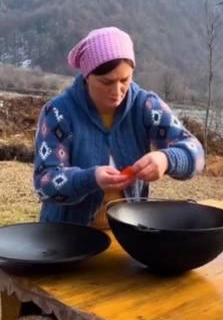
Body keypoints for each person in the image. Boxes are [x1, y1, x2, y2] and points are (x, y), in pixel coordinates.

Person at [33, 26, 205, 229]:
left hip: (127, 236)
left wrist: (167, 159)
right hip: (66, 237)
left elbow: (196, 154)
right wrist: (91, 178)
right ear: (88, 76)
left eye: (125, 80)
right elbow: (45, 184)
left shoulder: (145, 106)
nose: (117, 91)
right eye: (107, 82)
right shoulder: (58, 112)